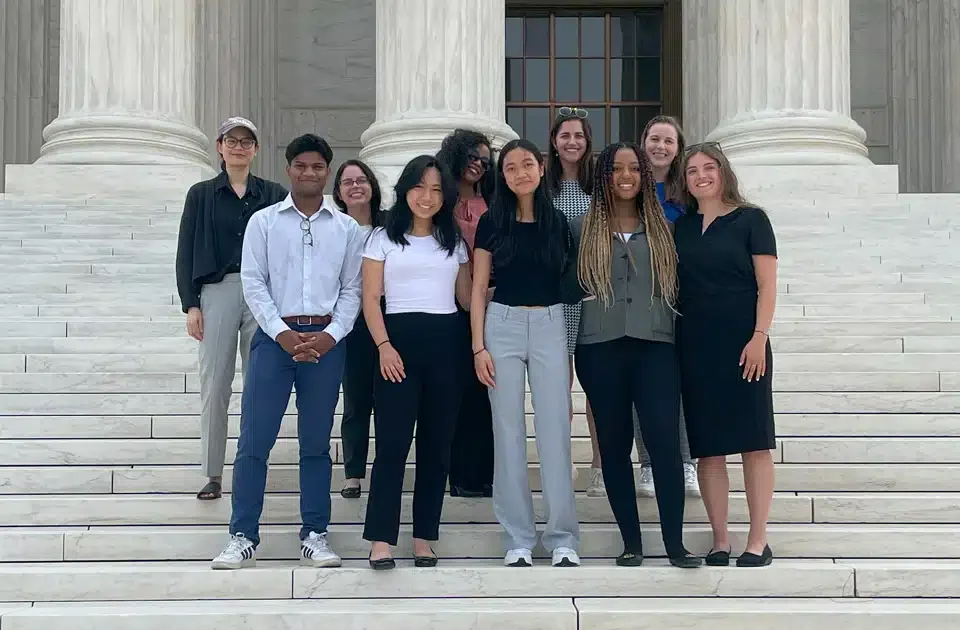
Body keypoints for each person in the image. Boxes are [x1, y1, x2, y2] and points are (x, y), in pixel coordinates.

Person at [211, 134, 364, 570]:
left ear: (327, 172)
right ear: (289, 168)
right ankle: (242, 535)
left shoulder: (347, 228)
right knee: (254, 441)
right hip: (273, 341)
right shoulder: (264, 222)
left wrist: (333, 335)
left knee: (316, 445)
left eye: (318, 166)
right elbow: (253, 283)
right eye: (301, 165)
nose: (309, 173)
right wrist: (279, 332)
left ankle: (315, 534)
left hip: (326, 343)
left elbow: (352, 288)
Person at [566, 142, 700, 569]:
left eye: (634, 169)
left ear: (645, 176)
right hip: (600, 346)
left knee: (663, 443)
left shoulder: (665, 228)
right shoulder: (581, 227)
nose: (626, 176)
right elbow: (561, 280)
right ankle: (631, 542)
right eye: (616, 169)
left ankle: (675, 543)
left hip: (655, 345)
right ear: (603, 176)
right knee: (615, 444)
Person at [472, 138, 580, 568]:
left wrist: (568, 349)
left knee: (555, 432)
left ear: (541, 168)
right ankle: (517, 536)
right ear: (504, 174)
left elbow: (571, 287)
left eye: (528, 164)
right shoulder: (491, 222)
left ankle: (562, 538)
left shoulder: (560, 222)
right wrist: (478, 344)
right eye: (511, 166)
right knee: (508, 432)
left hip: (552, 324)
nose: (520, 172)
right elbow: (478, 287)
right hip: (502, 326)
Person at [361, 155, 472, 570]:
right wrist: (384, 346)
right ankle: (380, 540)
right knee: (391, 444)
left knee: (436, 446)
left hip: (447, 345)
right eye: (420, 187)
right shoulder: (382, 238)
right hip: (397, 345)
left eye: (437, 189)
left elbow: (465, 300)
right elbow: (370, 299)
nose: (427, 197)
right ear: (406, 189)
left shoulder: (454, 242)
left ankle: (424, 536)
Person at [674, 142, 778, 567]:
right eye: (692, 169)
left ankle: (758, 541)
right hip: (695, 344)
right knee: (708, 448)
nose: (700, 175)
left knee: (754, 443)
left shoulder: (752, 219)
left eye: (708, 167)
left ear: (723, 172)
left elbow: (767, 285)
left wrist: (759, 336)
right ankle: (720, 539)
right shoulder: (681, 227)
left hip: (744, 343)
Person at [175, 116, 287, 501]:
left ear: (256, 149)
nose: (239, 147)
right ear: (220, 147)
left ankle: (252, 467)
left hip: (262, 292)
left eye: (246, 141)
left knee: (259, 385)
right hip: (217, 290)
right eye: (231, 140)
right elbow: (186, 250)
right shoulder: (201, 194)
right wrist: (191, 304)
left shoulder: (273, 194)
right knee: (215, 383)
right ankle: (212, 472)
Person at [634, 114, 699, 498]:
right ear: (644, 142)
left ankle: (686, 463)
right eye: (654, 139)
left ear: (678, 149)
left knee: (679, 385)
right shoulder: (629, 185)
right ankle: (647, 465)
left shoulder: (687, 192)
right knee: (640, 386)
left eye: (668, 141)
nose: (660, 147)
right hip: (638, 297)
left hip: (678, 298)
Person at [545, 107, 603, 496]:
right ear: (554, 141)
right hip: (555, 298)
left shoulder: (600, 188)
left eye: (579, 136)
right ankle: (562, 463)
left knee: (597, 388)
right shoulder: (542, 188)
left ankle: (600, 465)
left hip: (596, 296)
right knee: (558, 387)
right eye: (565, 135)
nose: (572, 142)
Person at [436, 128, 496, 498]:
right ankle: (458, 474)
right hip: (448, 304)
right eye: (473, 157)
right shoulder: (439, 199)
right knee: (456, 393)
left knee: (485, 392)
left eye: (485, 161)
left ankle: (485, 475)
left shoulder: (493, 199)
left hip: (491, 301)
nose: (478, 165)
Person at [332, 159, 384, 499]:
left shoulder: (390, 226)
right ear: (338, 192)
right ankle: (353, 472)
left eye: (361, 180)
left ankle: (386, 466)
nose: (355, 186)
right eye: (348, 182)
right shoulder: (332, 228)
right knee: (355, 398)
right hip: (349, 322)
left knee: (389, 397)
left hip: (387, 318)